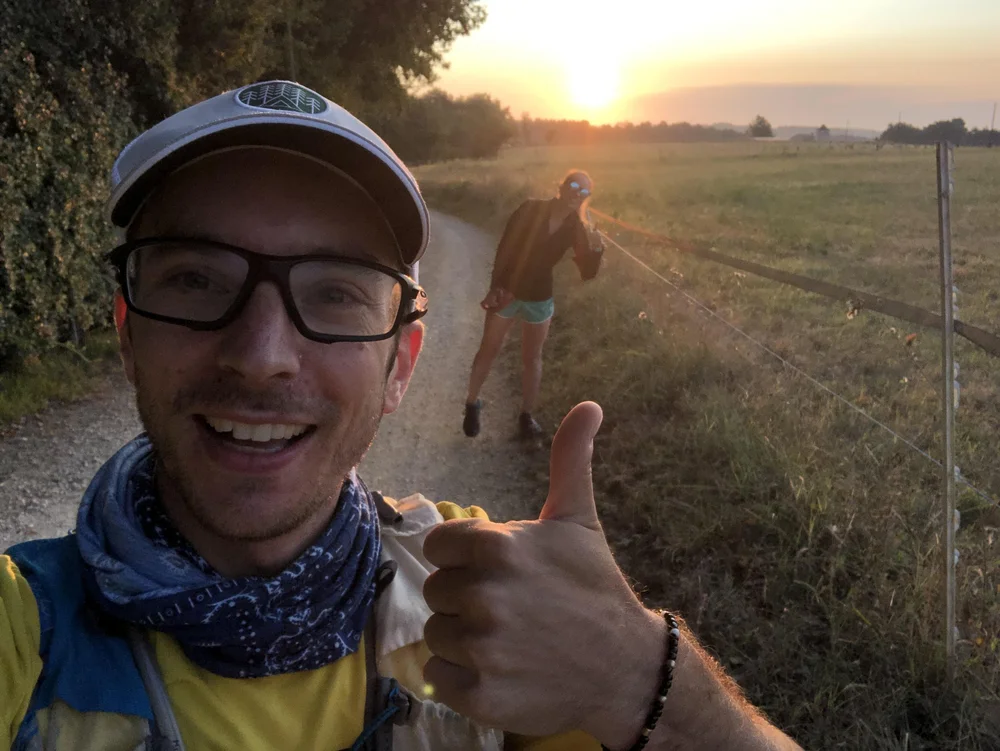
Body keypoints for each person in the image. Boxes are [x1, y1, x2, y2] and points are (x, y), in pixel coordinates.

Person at [0, 81, 800, 751]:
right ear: (127, 333)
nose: (261, 354)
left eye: (335, 292)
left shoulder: (486, 605)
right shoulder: (21, 629)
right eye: (197, 280)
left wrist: (633, 669)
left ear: (402, 366)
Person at [462, 171, 604, 440]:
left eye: (584, 192)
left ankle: (526, 418)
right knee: (488, 350)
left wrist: (597, 252)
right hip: (508, 291)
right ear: (561, 186)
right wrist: (495, 287)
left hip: (540, 297)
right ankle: (471, 404)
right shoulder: (530, 209)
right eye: (573, 186)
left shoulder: (576, 227)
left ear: (587, 198)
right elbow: (505, 247)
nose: (577, 194)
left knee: (532, 358)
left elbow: (587, 273)